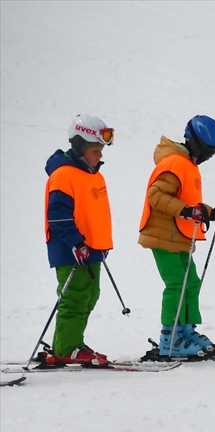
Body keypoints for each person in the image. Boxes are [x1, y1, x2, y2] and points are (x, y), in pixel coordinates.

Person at [138, 115, 215, 358]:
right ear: (195, 143)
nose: (209, 156)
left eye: (213, 153)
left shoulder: (187, 165)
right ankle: (169, 338)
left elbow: (187, 202)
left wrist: (211, 212)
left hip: (180, 236)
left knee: (190, 283)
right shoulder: (174, 162)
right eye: (208, 150)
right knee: (176, 285)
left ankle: (184, 331)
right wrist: (185, 211)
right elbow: (156, 195)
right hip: (163, 235)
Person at [39, 115, 115, 367]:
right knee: (74, 297)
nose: (99, 156)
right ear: (80, 146)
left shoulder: (92, 175)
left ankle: (72, 341)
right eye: (95, 150)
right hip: (73, 249)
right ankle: (66, 347)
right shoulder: (64, 176)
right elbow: (58, 217)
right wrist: (76, 243)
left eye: (101, 151)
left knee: (90, 295)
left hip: (92, 250)